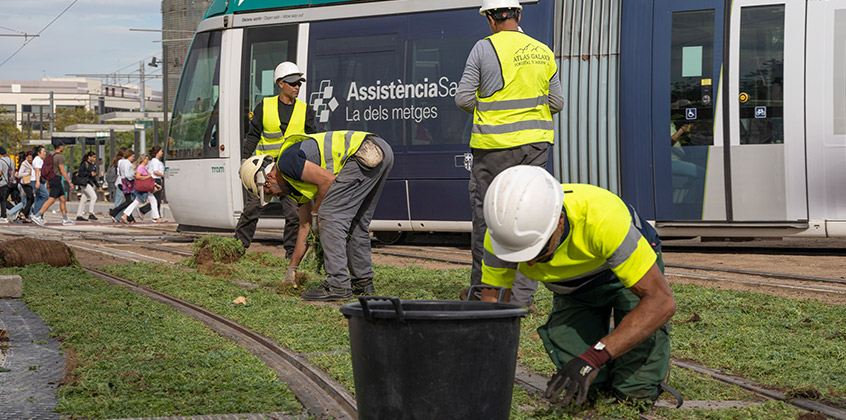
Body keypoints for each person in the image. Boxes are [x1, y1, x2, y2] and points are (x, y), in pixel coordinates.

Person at [478, 166, 676, 407]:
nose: (529, 263)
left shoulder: (602, 220)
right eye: (520, 255)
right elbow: (492, 307)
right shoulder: (503, 236)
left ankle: (646, 372)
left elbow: (661, 302)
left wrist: (595, 355)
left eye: (537, 251)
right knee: (587, 386)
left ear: (559, 221)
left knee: (634, 393)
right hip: (573, 291)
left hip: (625, 278)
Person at [455, 0, 564, 307]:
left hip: (493, 148)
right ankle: (522, 297)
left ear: (490, 18)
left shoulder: (483, 48)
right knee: (532, 216)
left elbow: (463, 98)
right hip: (536, 146)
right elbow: (557, 103)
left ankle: (484, 292)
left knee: (488, 218)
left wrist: (489, 105)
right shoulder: (543, 51)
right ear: (519, 14)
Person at [239, 131, 393, 301]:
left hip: (363, 153)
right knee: (357, 222)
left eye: (268, 192)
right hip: (379, 150)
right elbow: (305, 227)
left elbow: (327, 181)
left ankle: (337, 284)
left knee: (329, 216)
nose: (275, 196)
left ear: (268, 177)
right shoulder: (295, 187)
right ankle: (363, 283)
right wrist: (292, 269)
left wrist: (317, 213)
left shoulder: (286, 163)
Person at [235, 61, 317, 259]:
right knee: (252, 209)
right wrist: (245, 160)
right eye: (293, 83)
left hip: (291, 170)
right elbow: (253, 135)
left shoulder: (305, 110)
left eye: (299, 83)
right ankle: (236, 249)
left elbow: (313, 140)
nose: (297, 87)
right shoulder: (265, 106)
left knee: (293, 214)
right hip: (265, 168)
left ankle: (291, 254)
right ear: (280, 84)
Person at [31, 140, 75, 226]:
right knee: (51, 199)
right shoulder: (59, 157)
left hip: (52, 179)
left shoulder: (51, 155)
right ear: (61, 147)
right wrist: (69, 181)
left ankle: (65, 218)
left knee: (62, 198)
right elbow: (62, 170)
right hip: (56, 179)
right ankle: (37, 215)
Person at [119, 153, 163, 223]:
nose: (148, 161)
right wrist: (148, 176)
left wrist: (156, 184)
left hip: (145, 188)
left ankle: (125, 215)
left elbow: (147, 180)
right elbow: (138, 176)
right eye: (147, 159)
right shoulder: (141, 167)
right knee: (152, 201)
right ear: (144, 159)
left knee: (139, 202)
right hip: (144, 189)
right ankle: (157, 218)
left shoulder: (143, 167)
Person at [109, 149, 137, 222]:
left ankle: (115, 213)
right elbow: (128, 175)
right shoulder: (127, 163)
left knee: (127, 201)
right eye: (133, 156)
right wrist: (134, 175)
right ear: (129, 156)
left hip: (122, 183)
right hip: (126, 183)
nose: (133, 158)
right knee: (128, 201)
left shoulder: (121, 162)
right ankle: (115, 212)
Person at [7, 151, 33, 223]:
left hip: (27, 184)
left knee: (28, 201)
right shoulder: (24, 164)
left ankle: (28, 216)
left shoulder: (28, 163)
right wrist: (28, 173)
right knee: (25, 202)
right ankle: (11, 213)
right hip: (22, 184)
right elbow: (18, 174)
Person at [74, 151, 100, 221]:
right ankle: (91, 213)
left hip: (88, 183)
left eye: (95, 157)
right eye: (93, 157)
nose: (94, 159)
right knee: (94, 197)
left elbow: (93, 177)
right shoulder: (84, 163)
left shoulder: (92, 165)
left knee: (83, 199)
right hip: (85, 183)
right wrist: (89, 173)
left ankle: (79, 215)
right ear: (89, 157)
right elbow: (81, 173)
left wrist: (98, 186)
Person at [146, 146, 166, 218]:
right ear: (157, 152)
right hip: (156, 180)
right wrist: (164, 175)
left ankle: (157, 216)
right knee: (157, 200)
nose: (162, 153)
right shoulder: (155, 161)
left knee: (156, 200)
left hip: (155, 180)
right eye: (161, 151)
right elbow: (155, 172)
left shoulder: (154, 161)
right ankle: (155, 216)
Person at [31, 145, 48, 217]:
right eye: (43, 151)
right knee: (46, 196)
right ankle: (38, 214)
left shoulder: (39, 159)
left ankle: (36, 215)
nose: (45, 153)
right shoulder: (37, 159)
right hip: (36, 180)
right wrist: (37, 182)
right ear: (39, 153)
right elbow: (37, 171)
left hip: (38, 180)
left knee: (38, 198)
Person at [0, 147, 14, 223]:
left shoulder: (0, 161)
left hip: (1, 183)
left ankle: (3, 216)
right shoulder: (10, 160)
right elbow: (13, 170)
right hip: (9, 182)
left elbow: (0, 172)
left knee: (2, 200)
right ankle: (14, 209)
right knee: (3, 199)